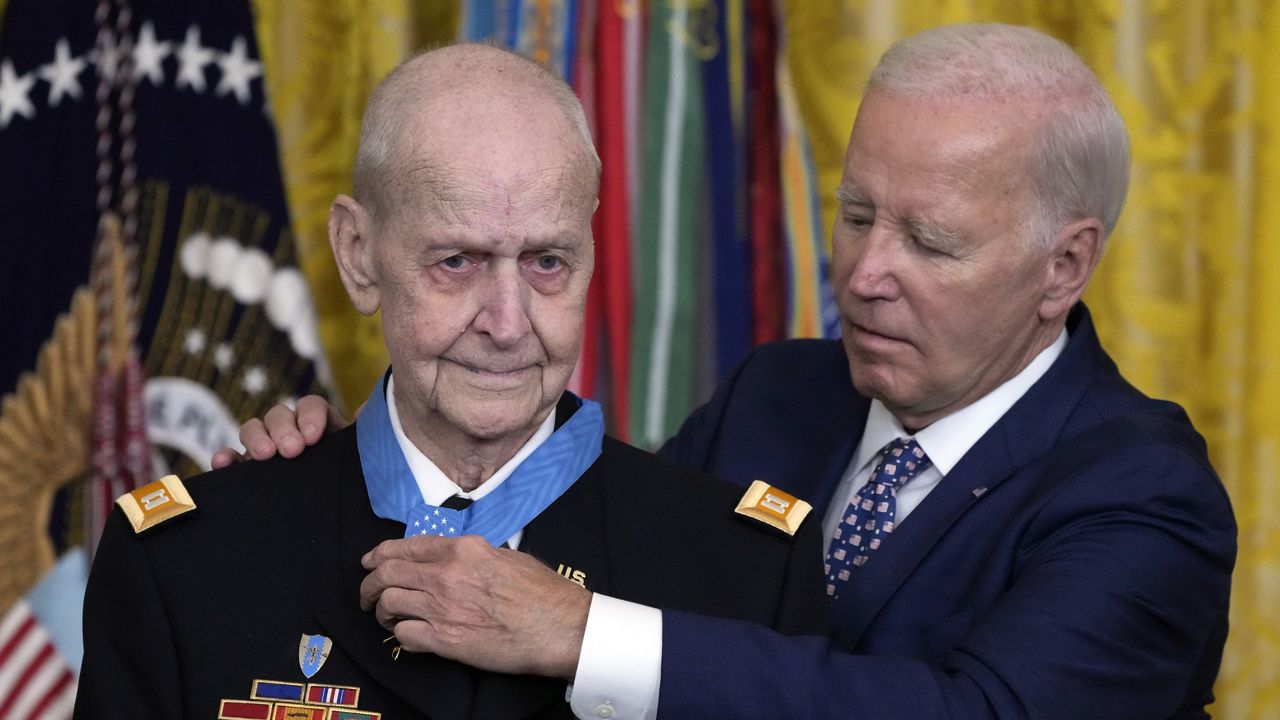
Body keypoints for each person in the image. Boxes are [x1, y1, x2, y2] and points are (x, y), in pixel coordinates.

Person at [228, 23, 1238, 720]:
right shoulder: (780, 393)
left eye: (927, 242)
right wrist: (358, 460)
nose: (863, 274)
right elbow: (587, 524)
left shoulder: (1143, 494)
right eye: (853, 216)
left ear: (1062, 265)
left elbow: (974, 712)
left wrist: (589, 637)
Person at [74, 44, 829, 719]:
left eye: (547, 263)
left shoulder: (745, 573)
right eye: (456, 263)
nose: (507, 323)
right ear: (359, 254)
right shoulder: (186, 561)